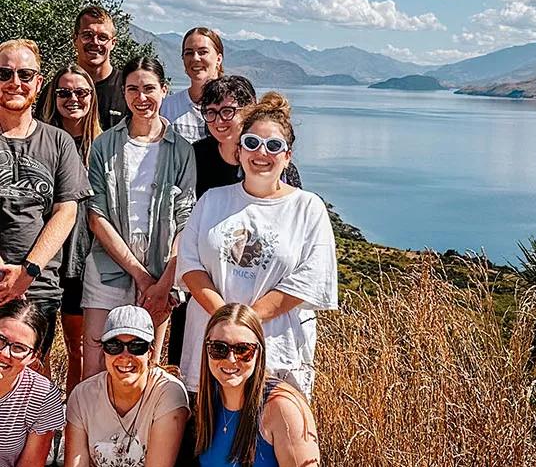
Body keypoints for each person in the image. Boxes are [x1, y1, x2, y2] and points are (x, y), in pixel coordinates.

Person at [177, 91, 337, 399]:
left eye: (273, 146)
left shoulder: (307, 208)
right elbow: (190, 265)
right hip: (213, 351)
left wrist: (244, 323)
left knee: (273, 438)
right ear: (238, 151)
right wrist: (226, 322)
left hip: (276, 355)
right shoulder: (212, 200)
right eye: (251, 143)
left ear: (287, 156)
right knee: (211, 439)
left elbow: (309, 280)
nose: (261, 153)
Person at [167, 78, 302, 368]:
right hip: (204, 287)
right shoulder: (197, 156)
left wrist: (245, 319)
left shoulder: (279, 171)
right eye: (211, 112)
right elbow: (185, 215)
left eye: (228, 111)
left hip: (261, 301)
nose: (219, 120)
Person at [82, 57, 196, 378]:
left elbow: (185, 218)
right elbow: (96, 216)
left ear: (164, 89)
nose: (141, 97)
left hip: (162, 269)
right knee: (95, 367)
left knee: (146, 368)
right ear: (124, 92)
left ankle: (139, 431)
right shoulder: (105, 144)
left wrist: (162, 282)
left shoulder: (182, 150)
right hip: (109, 265)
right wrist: (141, 276)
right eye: (133, 89)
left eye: (149, 88)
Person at [0, 39, 92, 360]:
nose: (15, 83)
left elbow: (65, 212)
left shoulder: (59, 142)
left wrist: (26, 273)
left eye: (25, 74)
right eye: (5, 73)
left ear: (38, 83)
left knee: (33, 377)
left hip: (37, 287)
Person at [40, 64, 102, 396]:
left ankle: (72, 418)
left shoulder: (104, 146)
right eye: (64, 92)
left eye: (81, 92)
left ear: (92, 97)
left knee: (78, 348)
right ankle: (40, 417)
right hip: (43, 258)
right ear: (53, 95)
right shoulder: (39, 140)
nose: (73, 98)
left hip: (84, 260)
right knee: (40, 347)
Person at [194, 303, 319, 466]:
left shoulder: (283, 408)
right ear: (206, 349)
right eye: (219, 348)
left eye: (243, 350)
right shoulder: (209, 399)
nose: (231, 359)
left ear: (259, 352)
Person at [65, 305, 189, 466]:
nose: (125, 356)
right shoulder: (82, 396)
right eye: (114, 346)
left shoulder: (168, 392)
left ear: (150, 351)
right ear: (103, 350)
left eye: (137, 346)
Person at [37, 6, 128, 129]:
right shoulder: (56, 90)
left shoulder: (127, 89)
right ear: (75, 39)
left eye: (103, 37)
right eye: (87, 35)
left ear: (113, 43)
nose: (95, 42)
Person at [0, 299, 65, 467]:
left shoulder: (42, 394)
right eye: (0, 340)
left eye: (19, 348)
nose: (5, 353)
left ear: (34, 356)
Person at [161, 27, 224, 143]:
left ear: (218, 59)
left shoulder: (234, 107)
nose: (195, 58)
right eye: (189, 53)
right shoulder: (167, 108)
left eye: (203, 52)